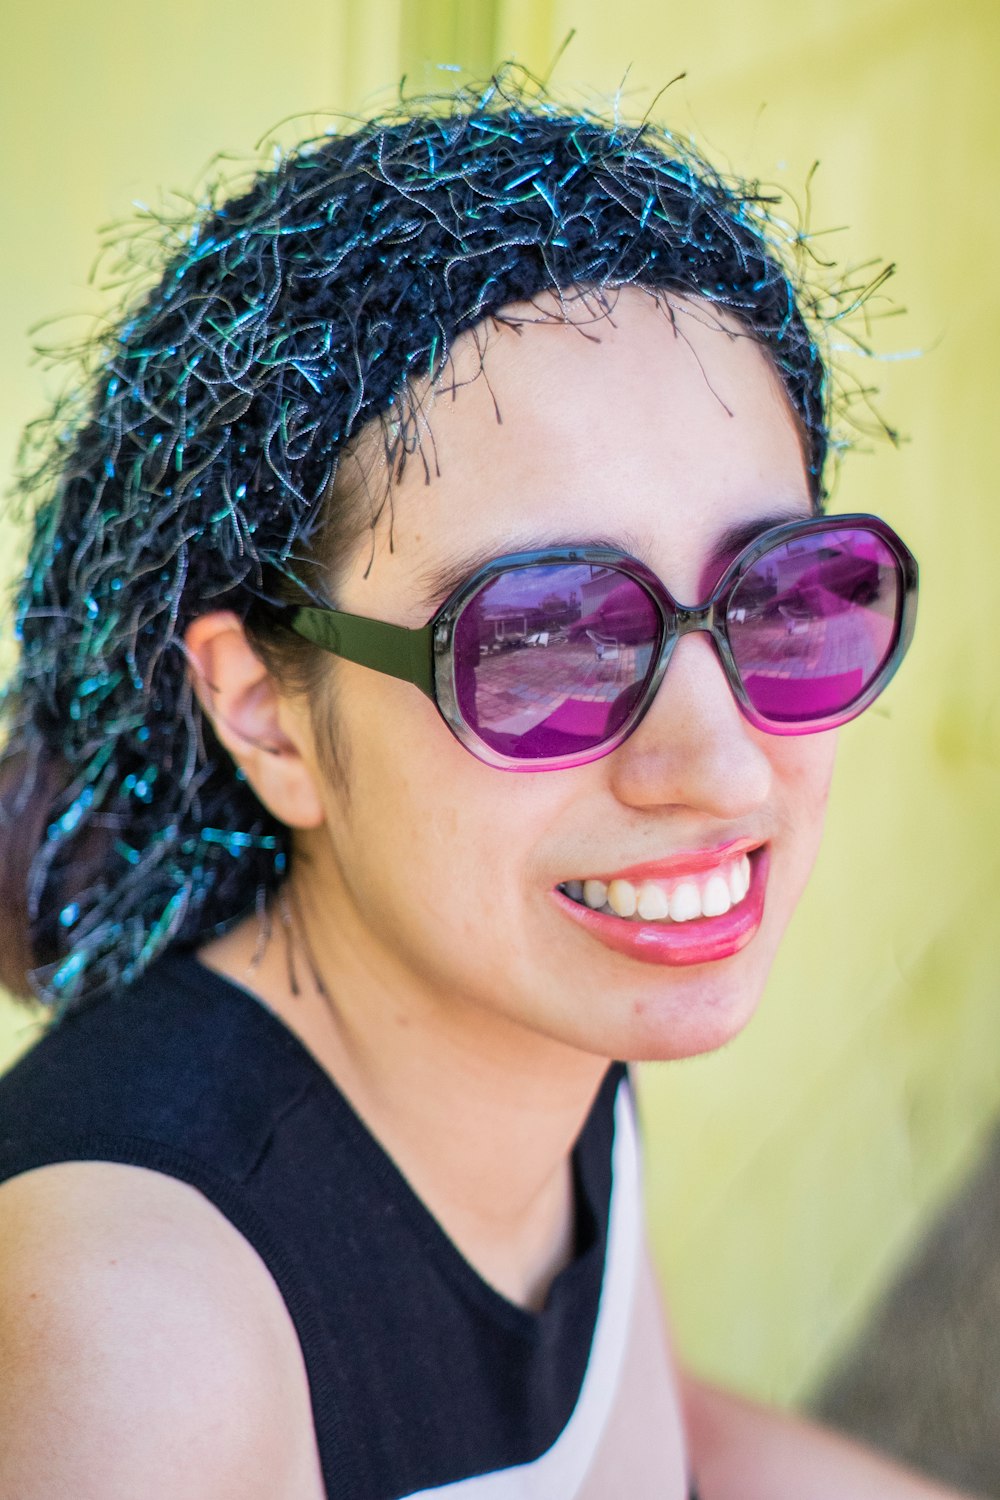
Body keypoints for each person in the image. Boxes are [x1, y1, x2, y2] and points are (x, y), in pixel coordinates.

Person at [0, 76, 965, 1499]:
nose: (716, 766)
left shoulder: (546, 1013)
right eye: (545, 639)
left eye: (780, 598)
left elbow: (654, 1447)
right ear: (265, 712)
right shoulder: (144, 1353)